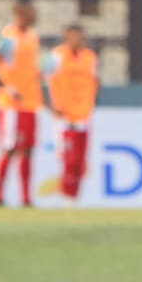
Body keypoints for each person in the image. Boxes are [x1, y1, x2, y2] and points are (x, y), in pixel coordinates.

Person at [0, 0, 42, 208]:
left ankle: (26, 198)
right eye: (31, 10)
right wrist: (7, 87)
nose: (35, 14)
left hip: (31, 102)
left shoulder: (33, 36)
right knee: (9, 148)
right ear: (19, 11)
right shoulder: (6, 36)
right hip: (10, 104)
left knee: (27, 149)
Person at [43, 23, 100, 200]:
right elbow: (37, 77)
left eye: (79, 37)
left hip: (83, 116)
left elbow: (96, 81)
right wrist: (50, 105)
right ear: (66, 38)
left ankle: (73, 197)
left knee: (79, 163)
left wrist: (89, 102)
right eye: (73, 36)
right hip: (64, 117)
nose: (77, 40)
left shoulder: (90, 57)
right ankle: (66, 196)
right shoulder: (55, 56)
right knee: (69, 159)